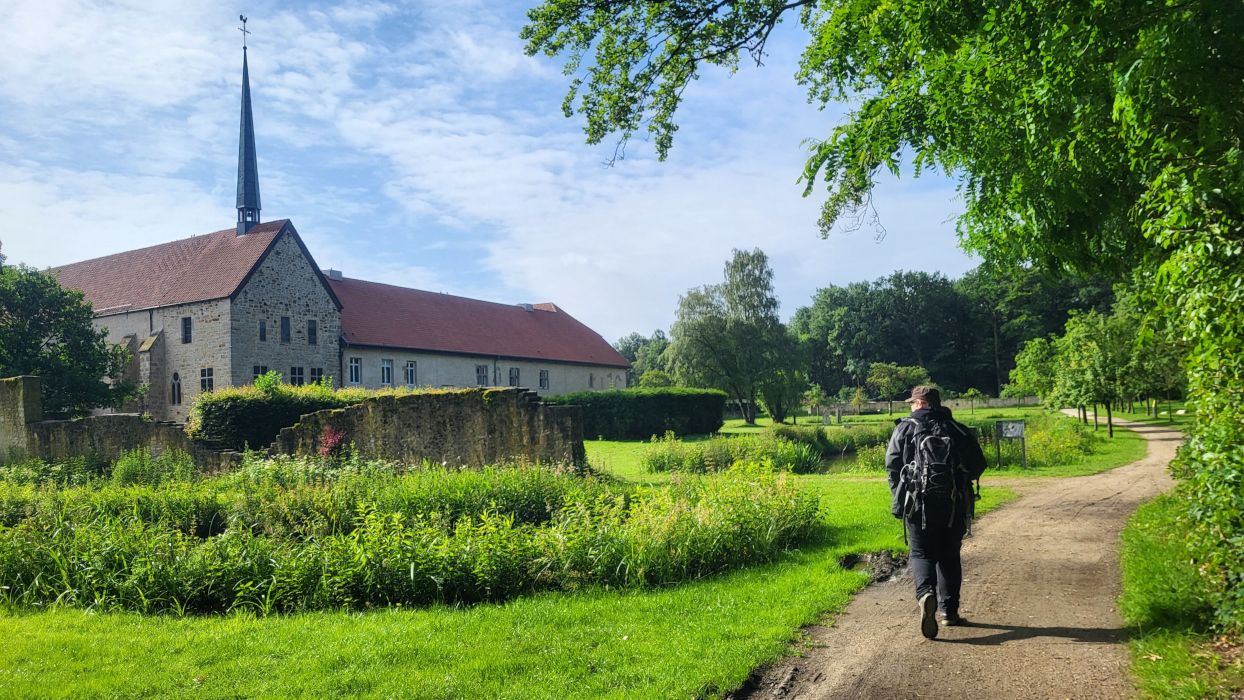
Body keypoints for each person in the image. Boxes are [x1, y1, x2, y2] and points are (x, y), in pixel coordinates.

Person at [885, 385, 987, 639]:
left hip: (918, 505)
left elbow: (892, 465)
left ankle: (925, 594)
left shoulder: (905, 428)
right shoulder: (956, 428)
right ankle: (949, 613)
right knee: (949, 556)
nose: (910, 406)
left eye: (912, 402)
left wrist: (900, 501)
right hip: (953, 505)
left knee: (921, 553)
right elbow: (978, 464)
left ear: (920, 404)